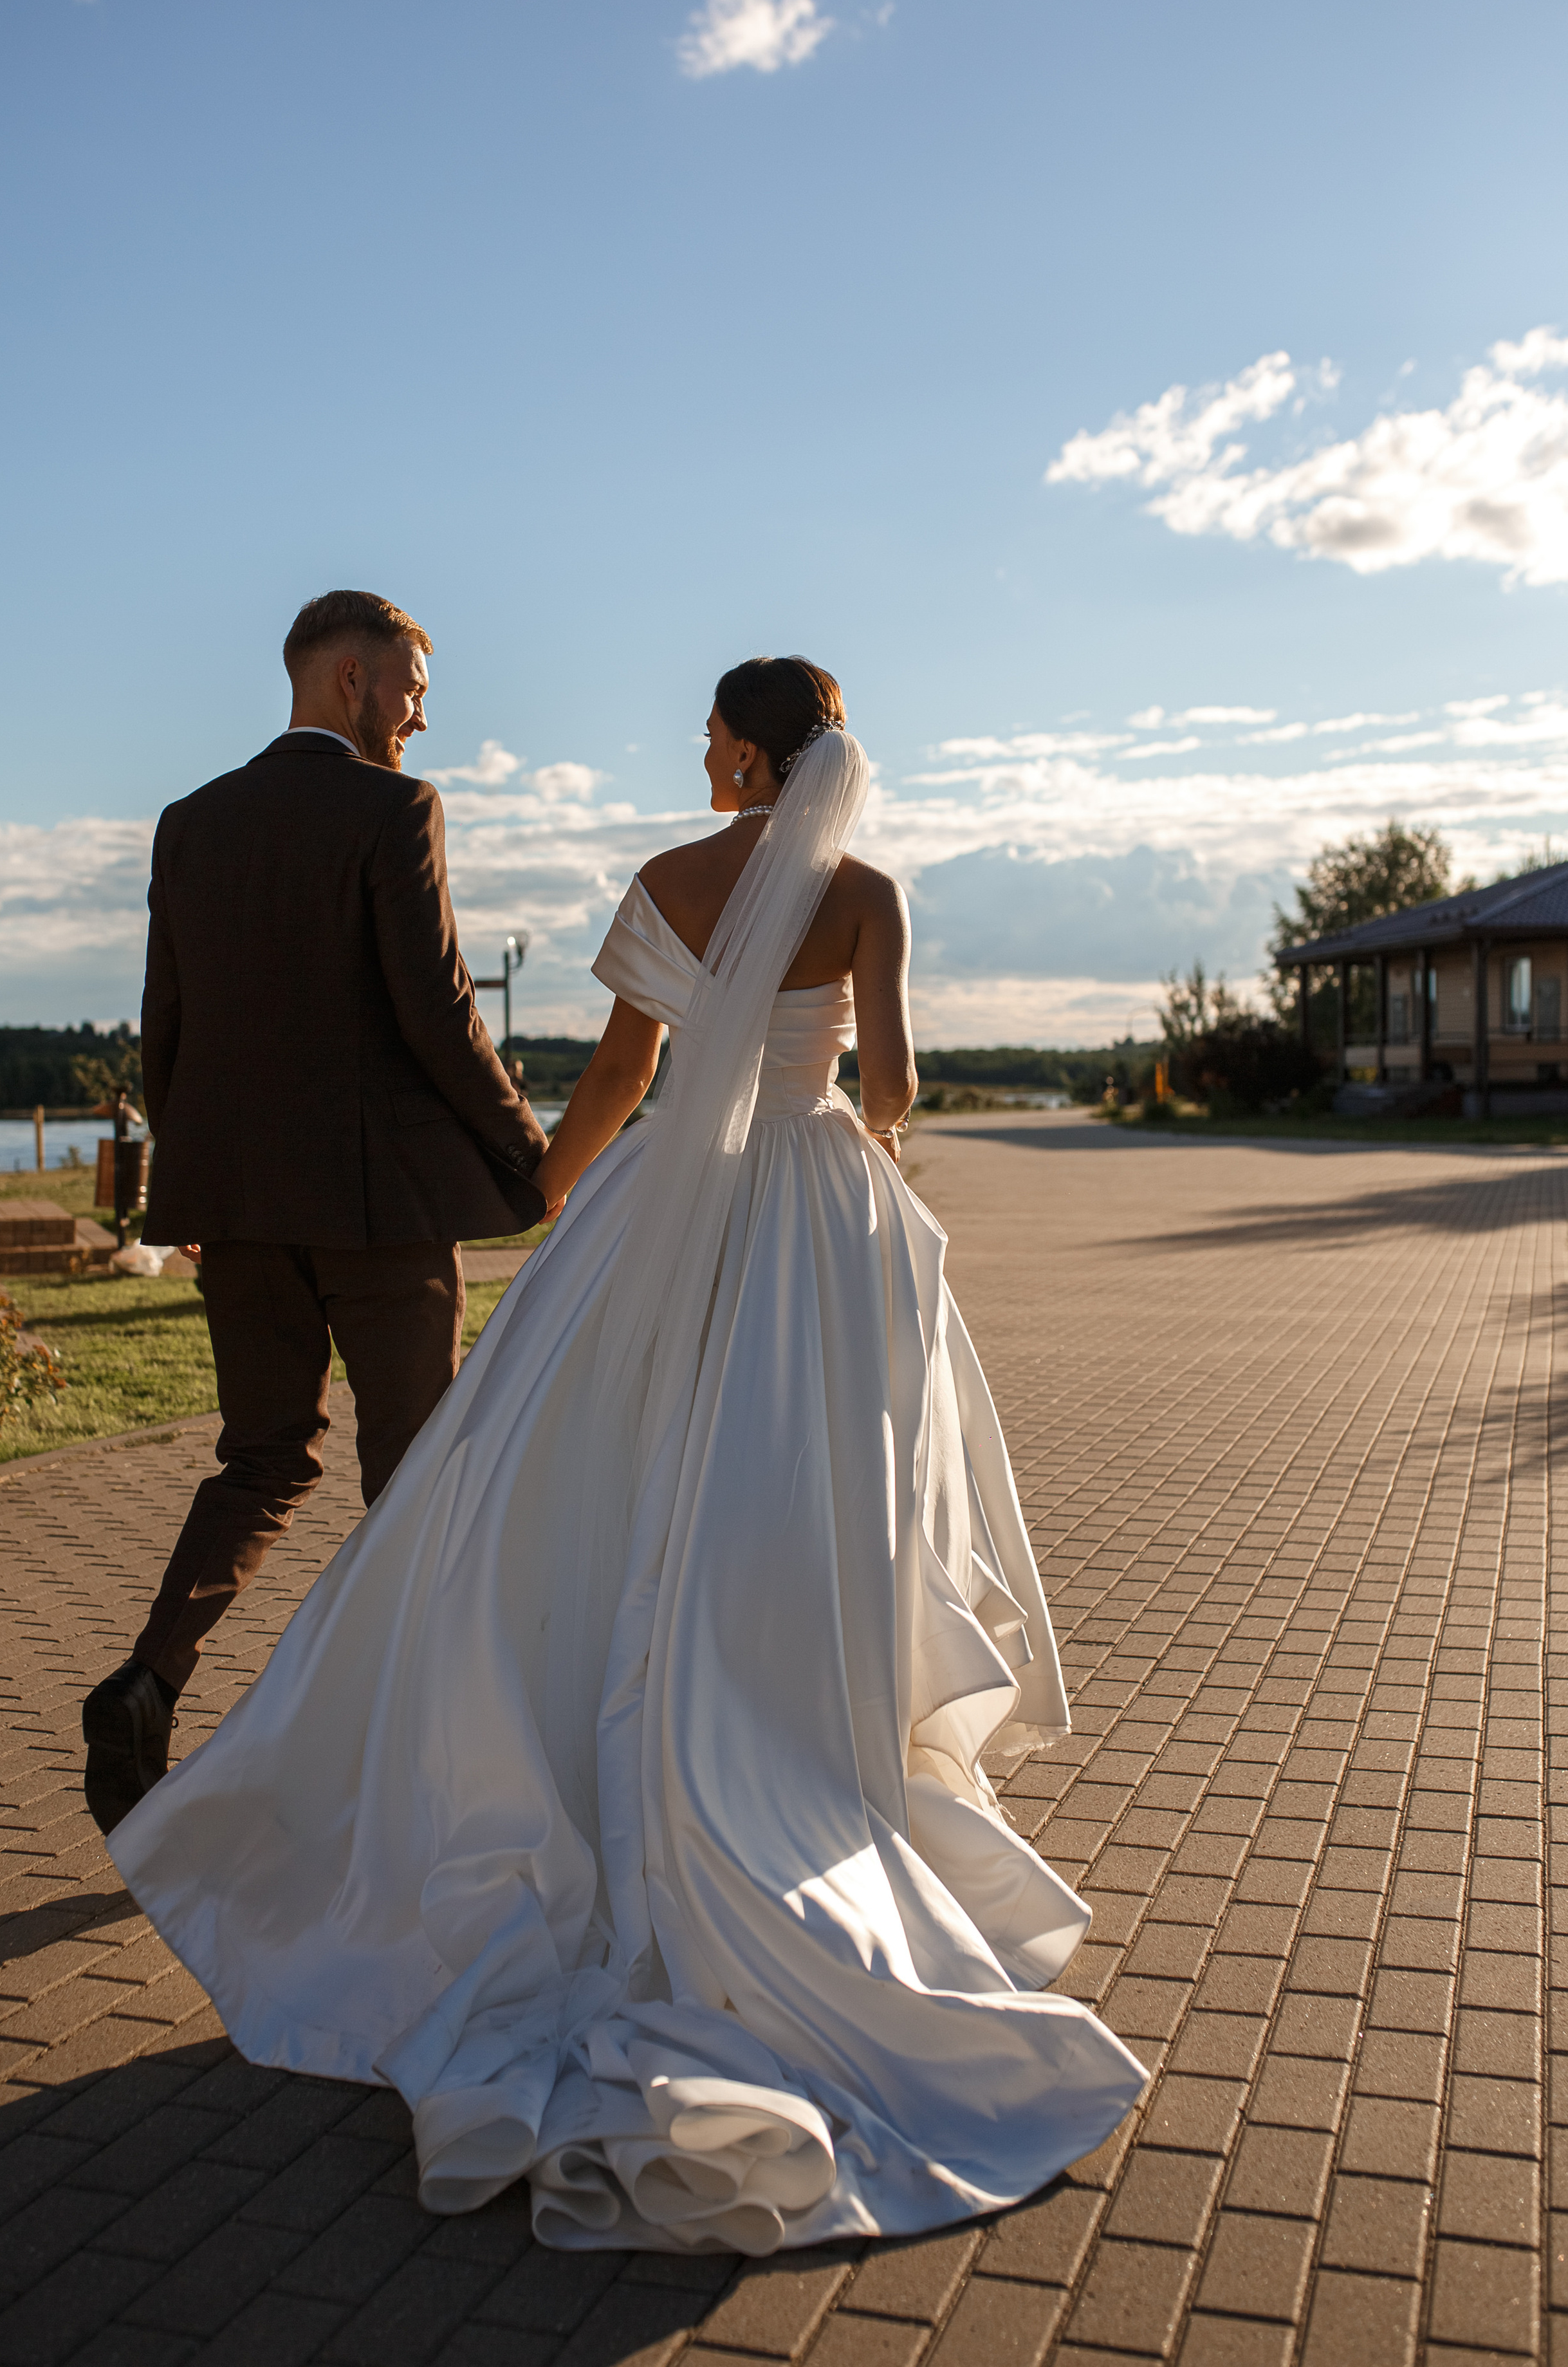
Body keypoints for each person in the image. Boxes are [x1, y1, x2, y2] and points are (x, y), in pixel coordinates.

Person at [108, 656, 1146, 2251]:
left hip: (671, 1197)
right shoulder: (866, 892)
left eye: (713, 735)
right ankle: (801, 1740)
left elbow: (618, 1073)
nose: (704, 755)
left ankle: (583, 1742)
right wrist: (850, 1145)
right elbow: (890, 1088)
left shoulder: (666, 876)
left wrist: (553, 1188)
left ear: (746, 749)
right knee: (802, 1494)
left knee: (597, 1468)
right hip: (814, 1208)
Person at [81, 590, 548, 1834]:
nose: (421, 717)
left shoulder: (191, 822)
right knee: (413, 1470)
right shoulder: (393, 808)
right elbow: (437, 1007)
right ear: (349, 680)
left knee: (263, 1456)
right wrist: (532, 1158)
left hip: (235, 1207)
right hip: (376, 1214)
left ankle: (144, 1685)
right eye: (412, 688)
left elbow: (163, 1022)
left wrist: (184, 1186)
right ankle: (416, 1755)